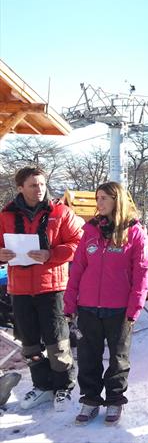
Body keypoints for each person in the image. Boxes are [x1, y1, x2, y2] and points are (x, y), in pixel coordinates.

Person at [64, 181, 148, 425]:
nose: (98, 202)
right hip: (88, 307)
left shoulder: (134, 232)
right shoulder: (90, 231)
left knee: (118, 358)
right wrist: (70, 303)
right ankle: (90, 399)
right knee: (89, 357)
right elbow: (77, 269)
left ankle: (114, 400)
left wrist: (135, 307)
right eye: (97, 197)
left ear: (117, 200)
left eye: (103, 198)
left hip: (119, 309)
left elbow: (141, 274)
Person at [0, 166, 81, 411]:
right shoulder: (5, 216)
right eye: (33, 185)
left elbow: (79, 242)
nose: (39, 189)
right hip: (20, 289)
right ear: (20, 188)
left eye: (42, 184)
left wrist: (51, 254)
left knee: (58, 342)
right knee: (30, 344)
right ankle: (43, 386)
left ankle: (63, 387)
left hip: (53, 287)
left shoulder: (61, 212)